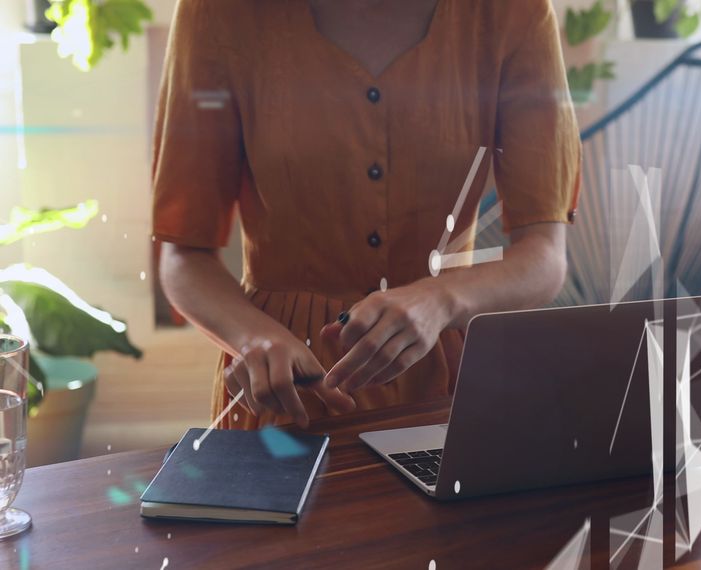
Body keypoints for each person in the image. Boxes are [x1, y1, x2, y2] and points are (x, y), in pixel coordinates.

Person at [153, 0, 581, 429]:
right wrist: (250, 337)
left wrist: (441, 300)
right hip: (286, 391)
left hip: (443, 383)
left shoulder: (512, 13)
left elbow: (544, 257)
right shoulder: (218, 12)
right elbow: (184, 256)